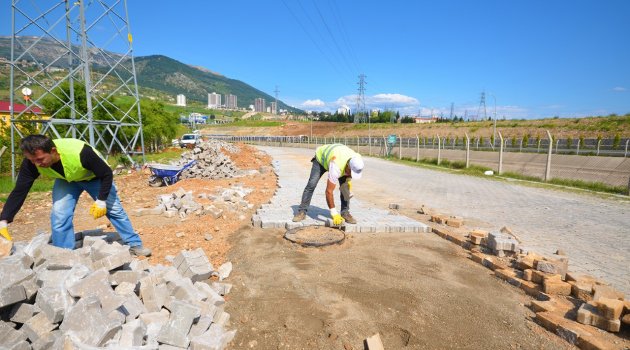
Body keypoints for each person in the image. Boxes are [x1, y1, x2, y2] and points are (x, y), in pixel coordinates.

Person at [0, 135, 151, 256]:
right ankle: (63, 253)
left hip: (95, 178)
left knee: (114, 210)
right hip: (67, 180)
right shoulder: (31, 163)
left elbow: (106, 174)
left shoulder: (80, 152)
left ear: (53, 151)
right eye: (32, 161)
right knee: (59, 213)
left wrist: (101, 200)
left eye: (40, 159)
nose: (37, 164)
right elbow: (20, 189)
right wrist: (4, 220)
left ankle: (134, 244)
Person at [293, 143, 364, 225]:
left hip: (338, 156)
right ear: (348, 166)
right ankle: (302, 211)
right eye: (351, 173)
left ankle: (345, 213)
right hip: (321, 159)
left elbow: (350, 174)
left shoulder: (357, 160)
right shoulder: (336, 166)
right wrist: (334, 213)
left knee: (345, 188)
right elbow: (329, 191)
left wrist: (347, 182)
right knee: (311, 184)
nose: (351, 175)